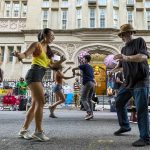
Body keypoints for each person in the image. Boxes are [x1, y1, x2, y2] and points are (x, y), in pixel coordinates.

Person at [13, 28, 66, 141]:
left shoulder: (48, 51)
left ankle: (23, 130)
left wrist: (61, 61)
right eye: (51, 35)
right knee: (41, 101)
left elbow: (52, 66)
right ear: (45, 35)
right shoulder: (37, 45)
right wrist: (18, 54)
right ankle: (38, 131)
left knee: (34, 105)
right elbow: (25, 54)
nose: (53, 37)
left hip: (39, 75)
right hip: (34, 73)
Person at [111, 24, 150, 147]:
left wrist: (126, 58)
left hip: (140, 81)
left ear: (131, 33)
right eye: (121, 35)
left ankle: (145, 138)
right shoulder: (123, 49)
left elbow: (143, 57)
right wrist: (116, 67)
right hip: (128, 82)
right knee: (119, 102)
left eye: (125, 33)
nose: (123, 36)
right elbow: (124, 64)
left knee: (141, 109)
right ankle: (125, 126)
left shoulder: (139, 41)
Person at [72, 55, 95, 120]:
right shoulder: (90, 67)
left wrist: (73, 73)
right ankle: (91, 114)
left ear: (86, 60)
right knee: (89, 99)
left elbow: (73, 69)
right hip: (92, 83)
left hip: (87, 83)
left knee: (83, 98)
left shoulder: (84, 65)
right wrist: (80, 75)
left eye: (83, 59)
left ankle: (89, 113)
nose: (82, 60)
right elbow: (89, 75)